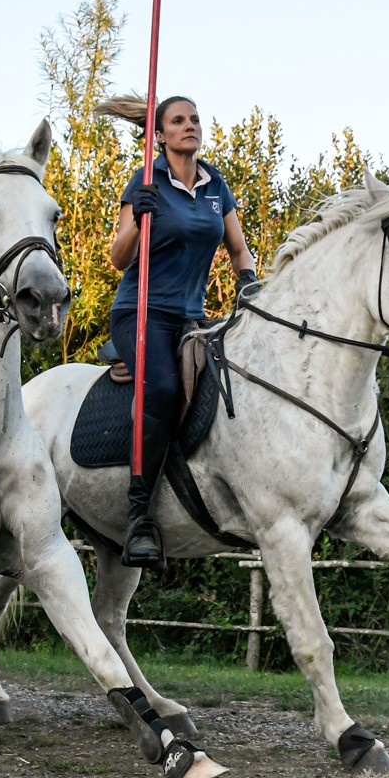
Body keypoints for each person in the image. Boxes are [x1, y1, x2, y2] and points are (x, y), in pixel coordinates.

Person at [98, 94, 258, 568]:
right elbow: (119, 257)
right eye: (178, 121)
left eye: (194, 119)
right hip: (140, 313)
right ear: (161, 134)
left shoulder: (215, 184)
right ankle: (138, 515)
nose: (189, 126)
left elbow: (237, 250)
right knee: (164, 391)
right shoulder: (145, 180)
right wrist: (138, 219)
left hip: (192, 318)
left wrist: (249, 282)